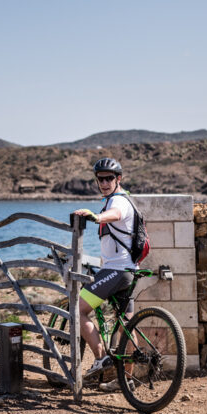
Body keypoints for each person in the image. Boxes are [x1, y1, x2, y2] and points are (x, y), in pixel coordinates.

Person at [72, 157, 137, 392]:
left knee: (78, 310)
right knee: (125, 325)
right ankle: (125, 380)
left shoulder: (118, 202)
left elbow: (117, 214)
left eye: (110, 178)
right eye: (101, 179)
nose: (105, 182)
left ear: (118, 179)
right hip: (129, 271)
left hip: (116, 271)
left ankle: (101, 359)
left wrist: (97, 217)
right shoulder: (119, 199)